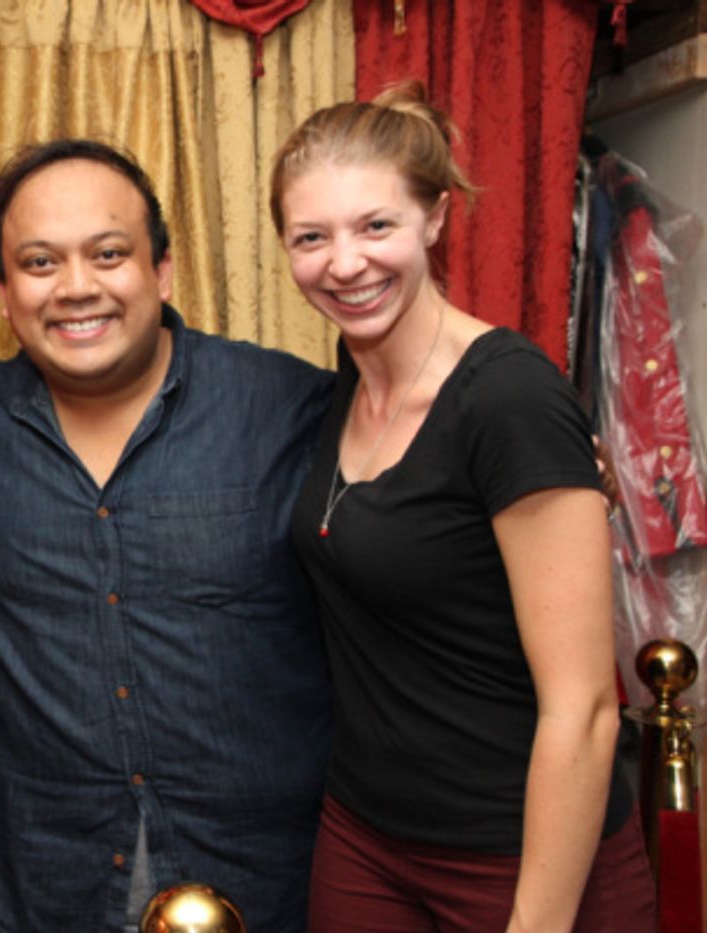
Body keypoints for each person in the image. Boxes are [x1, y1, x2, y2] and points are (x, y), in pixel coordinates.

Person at [0, 139, 334, 932]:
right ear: (2, 291)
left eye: (107, 253)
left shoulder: (288, 409)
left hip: (265, 875)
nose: (76, 288)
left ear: (162, 271)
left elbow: (429, 468)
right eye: (39, 262)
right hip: (40, 880)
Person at [270, 82, 656, 931]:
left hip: (520, 853)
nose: (344, 262)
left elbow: (586, 706)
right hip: (366, 838)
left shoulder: (508, 396)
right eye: (312, 237)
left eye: (376, 226)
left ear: (435, 219)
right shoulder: (346, 383)